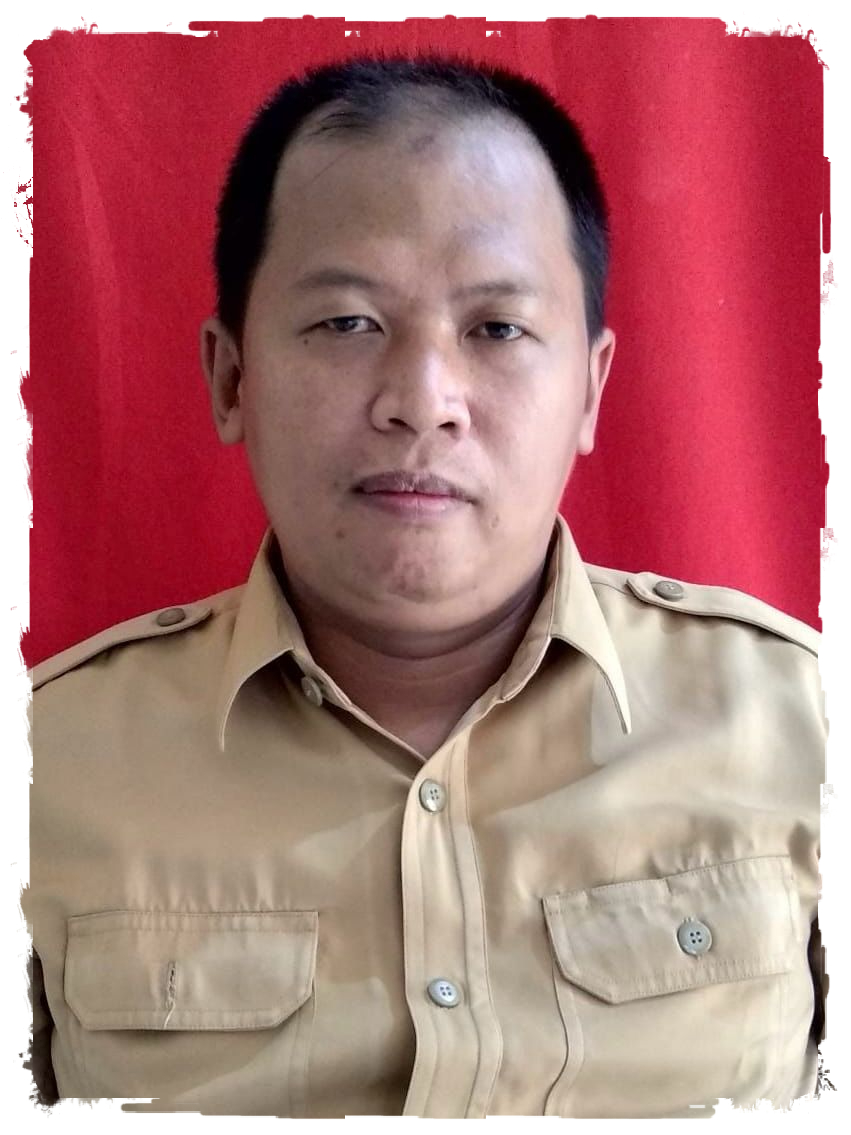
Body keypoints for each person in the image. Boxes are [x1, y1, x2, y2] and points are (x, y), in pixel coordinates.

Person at [24, 55, 825, 1118]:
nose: (422, 399)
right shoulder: (46, 767)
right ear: (231, 377)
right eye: (347, 323)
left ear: (589, 391)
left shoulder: (802, 725)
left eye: (496, 328)